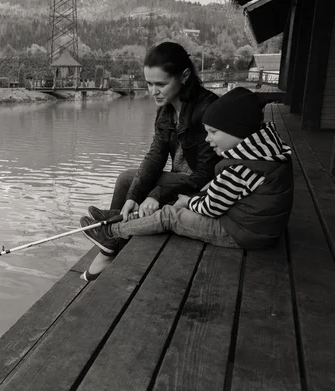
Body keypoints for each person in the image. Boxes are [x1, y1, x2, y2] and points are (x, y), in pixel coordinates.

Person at [80, 87, 294, 280]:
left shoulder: (241, 167)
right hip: (255, 226)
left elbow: (210, 208)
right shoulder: (263, 153)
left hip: (241, 233)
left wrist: (188, 202)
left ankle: (112, 234)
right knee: (183, 198)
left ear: (237, 131)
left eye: (213, 132)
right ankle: (120, 218)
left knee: (170, 215)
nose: (208, 140)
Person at [81, 42, 220, 281]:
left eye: (160, 84)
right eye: (148, 83)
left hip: (207, 186)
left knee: (129, 181)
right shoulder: (166, 110)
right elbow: (156, 156)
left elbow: (206, 175)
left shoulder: (207, 109)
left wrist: (157, 194)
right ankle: (114, 231)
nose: (152, 91)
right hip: (186, 178)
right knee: (129, 181)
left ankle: (111, 241)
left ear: (185, 76)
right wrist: (135, 196)